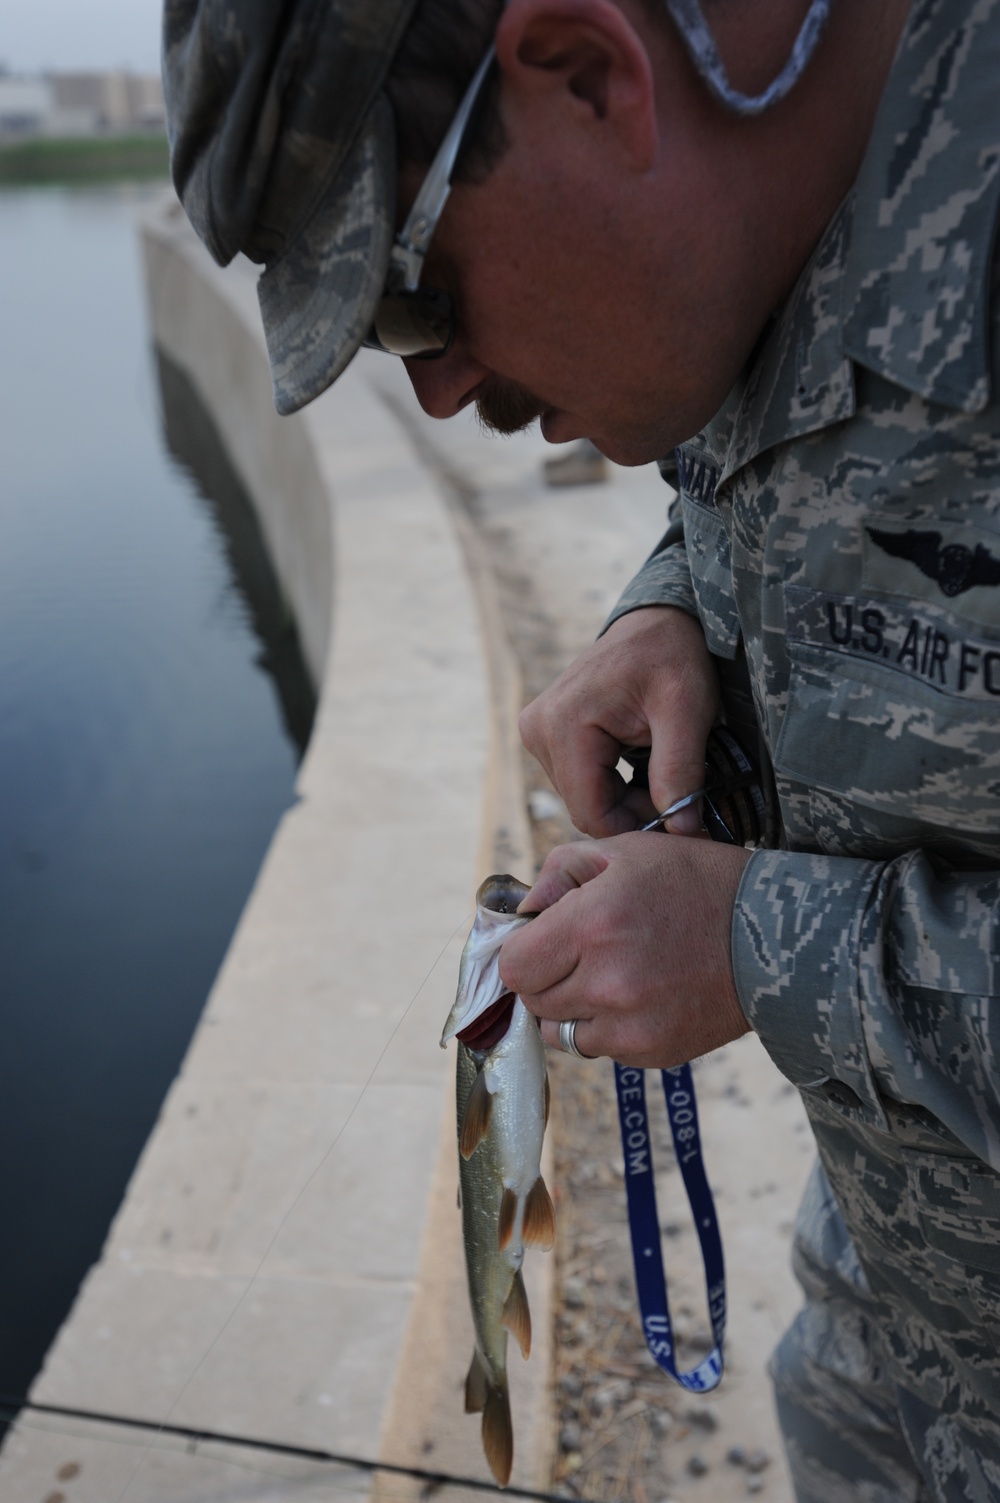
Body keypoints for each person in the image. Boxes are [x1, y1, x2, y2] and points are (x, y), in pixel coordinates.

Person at [162, 0, 1000, 1496]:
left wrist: (765, 951)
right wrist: (674, 603)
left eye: (411, 306)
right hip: (893, 1329)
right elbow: (788, 460)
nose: (430, 390)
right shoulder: (741, 218)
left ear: (592, 72)